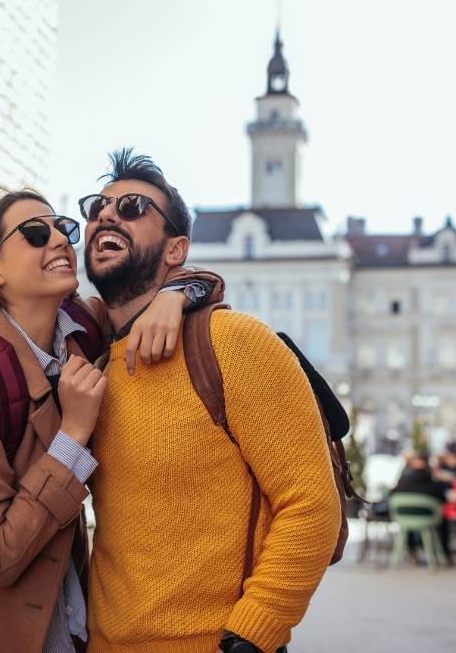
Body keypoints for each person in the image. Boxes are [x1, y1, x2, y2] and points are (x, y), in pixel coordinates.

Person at [0, 189, 217, 653]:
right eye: (36, 234)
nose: (59, 240)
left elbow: (182, 278)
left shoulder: (80, 330)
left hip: (65, 624)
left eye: (63, 229)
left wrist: (173, 296)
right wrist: (73, 434)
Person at [81, 150, 341, 653]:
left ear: (176, 249)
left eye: (132, 207)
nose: (107, 215)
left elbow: (311, 501)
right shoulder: (94, 363)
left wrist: (254, 631)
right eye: (98, 207)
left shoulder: (232, 342)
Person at [390, 450, 451, 565]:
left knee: (409, 522)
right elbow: (443, 500)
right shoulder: (434, 483)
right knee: (443, 521)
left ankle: (412, 553)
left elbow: (392, 495)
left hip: (403, 518)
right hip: (429, 520)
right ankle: (444, 556)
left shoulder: (403, 481)